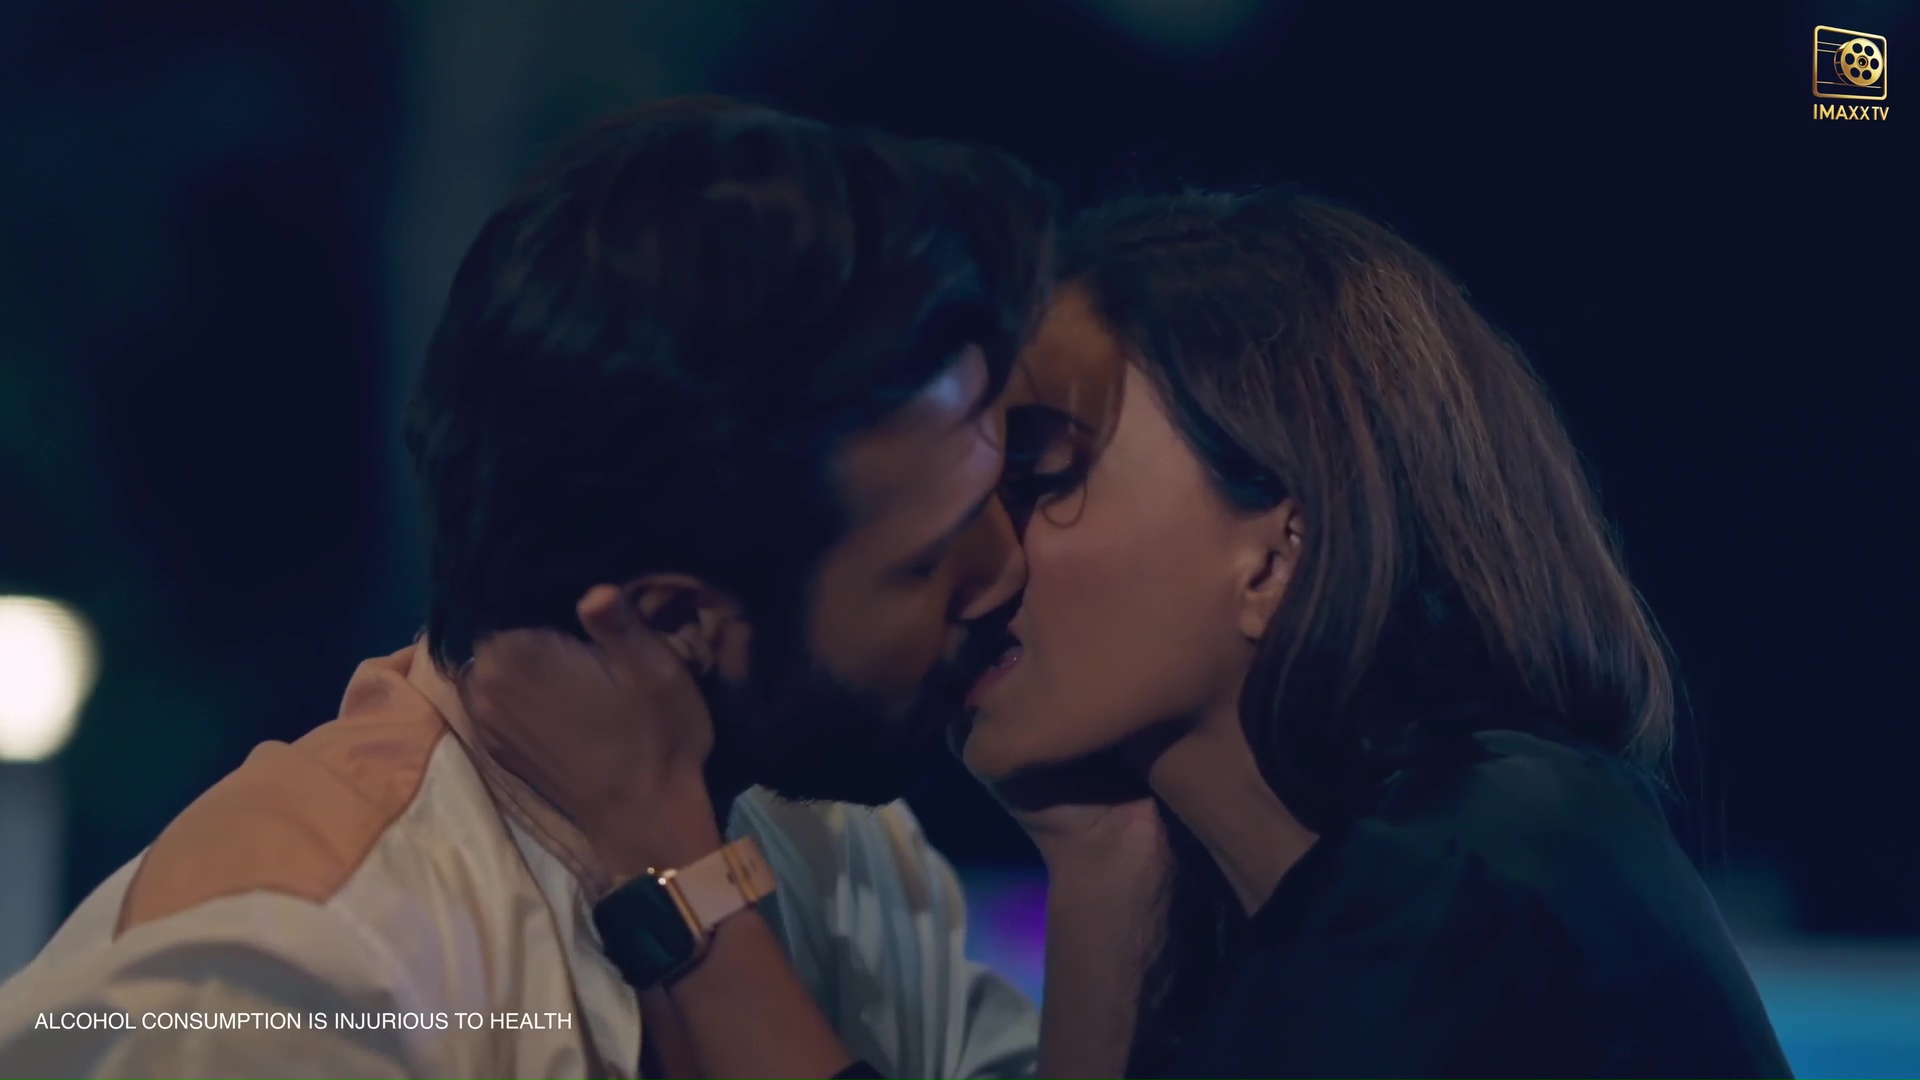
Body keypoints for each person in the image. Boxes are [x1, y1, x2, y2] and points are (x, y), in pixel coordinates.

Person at [0, 98, 1072, 1080]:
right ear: (674, 619)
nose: (1004, 568)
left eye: (1000, 485)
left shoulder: (834, 850)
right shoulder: (284, 985)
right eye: (925, 561)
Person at [953, 186, 1798, 1078]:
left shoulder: (1476, 878)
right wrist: (1100, 862)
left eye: (1043, 479)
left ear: (1276, 558)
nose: (976, 549)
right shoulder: (1337, 907)